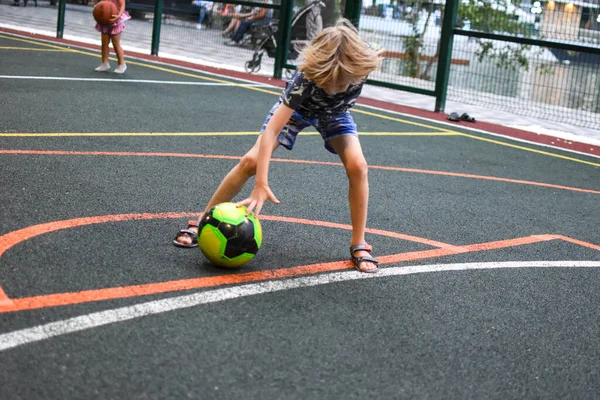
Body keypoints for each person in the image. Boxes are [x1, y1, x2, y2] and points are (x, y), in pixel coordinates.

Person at [174, 19, 383, 273]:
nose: (334, 88)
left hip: (335, 115)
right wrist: (261, 183)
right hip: (296, 112)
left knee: (359, 166)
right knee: (250, 161)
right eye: (328, 83)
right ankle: (200, 222)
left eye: (342, 84)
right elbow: (273, 128)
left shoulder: (360, 63)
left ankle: (359, 243)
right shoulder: (306, 78)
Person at [94, 0, 131, 74]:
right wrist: (97, 7)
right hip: (105, 20)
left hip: (115, 20)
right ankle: (105, 63)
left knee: (115, 43)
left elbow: (122, 5)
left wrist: (118, 16)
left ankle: (121, 64)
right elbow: (102, 3)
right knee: (104, 43)